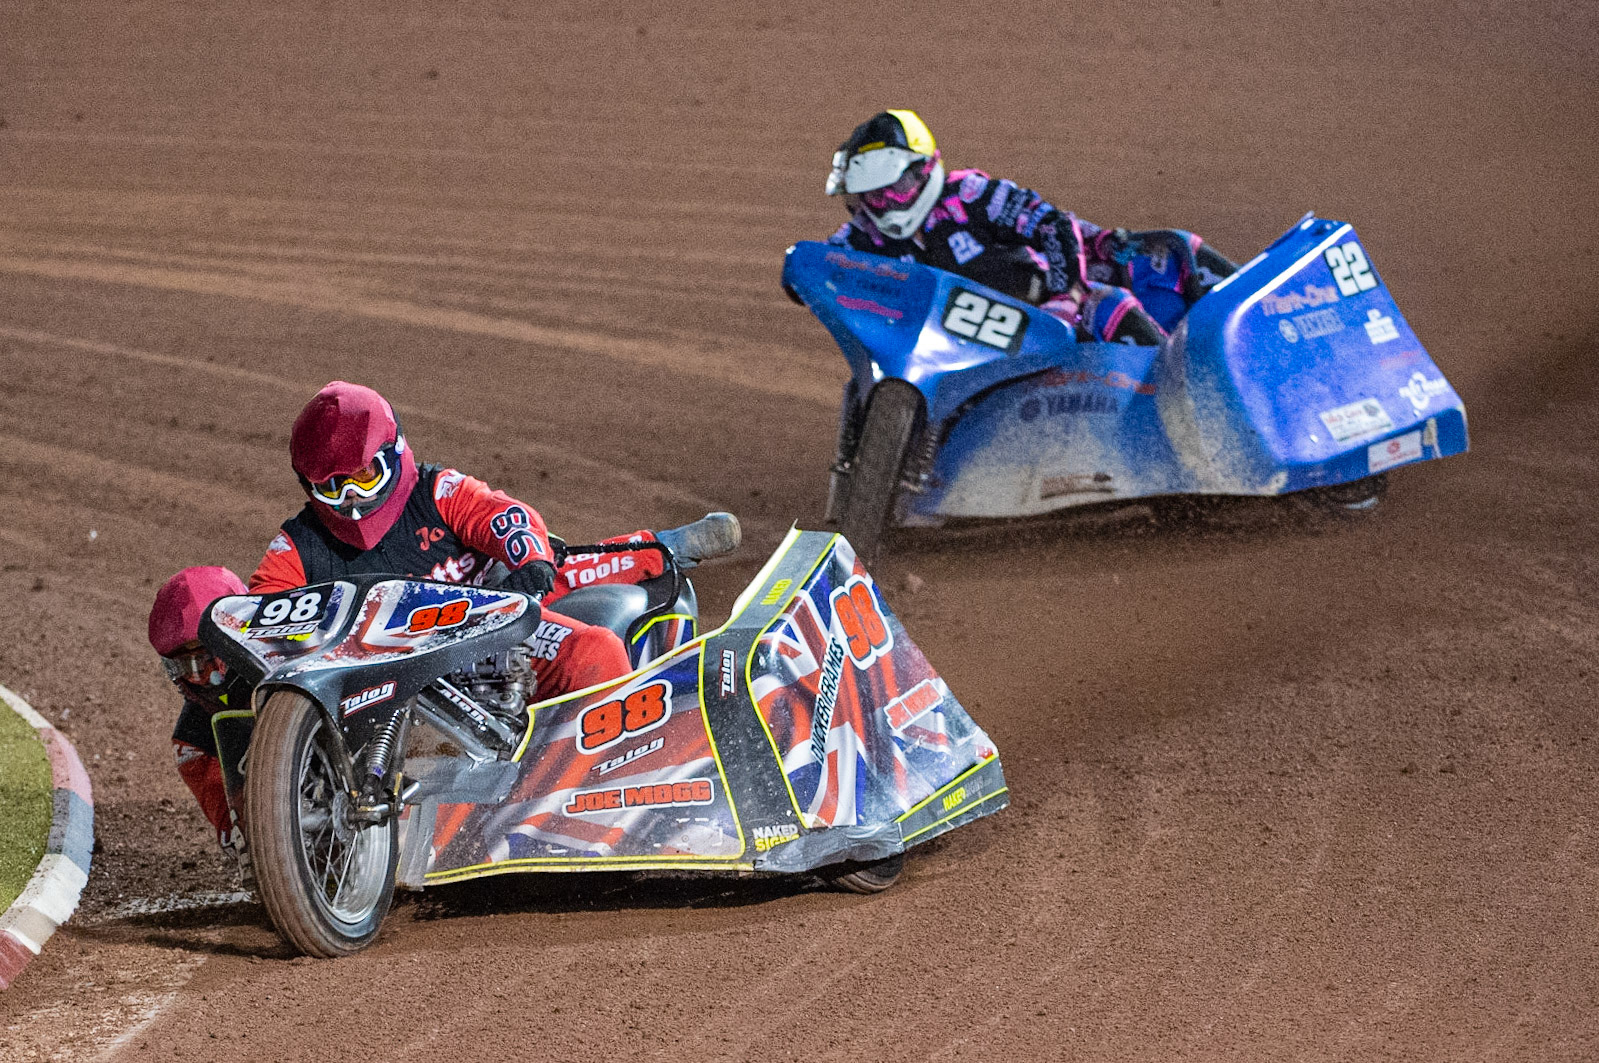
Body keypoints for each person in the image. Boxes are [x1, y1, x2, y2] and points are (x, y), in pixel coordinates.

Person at [250, 380, 739, 697]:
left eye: (364, 478)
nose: (352, 500)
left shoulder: (435, 490)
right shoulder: (298, 545)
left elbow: (504, 515)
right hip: (382, 678)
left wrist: (528, 555)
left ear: (394, 454)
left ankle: (661, 548)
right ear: (307, 486)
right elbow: (255, 613)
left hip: (489, 629)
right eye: (332, 488)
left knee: (578, 619)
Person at [824, 109, 1235, 343]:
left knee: (1170, 253)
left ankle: (1241, 342)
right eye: (871, 197)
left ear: (922, 171)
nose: (883, 205)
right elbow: (818, 264)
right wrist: (799, 277)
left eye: (893, 190)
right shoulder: (862, 237)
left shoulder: (970, 195)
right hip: (963, 349)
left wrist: (1066, 297)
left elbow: (1052, 225)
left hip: (1041, 314)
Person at [149, 565, 253, 879]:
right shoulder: (193, 742)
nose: (201, 676)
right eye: (186, 664)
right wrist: (244, 835)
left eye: (208, 658)